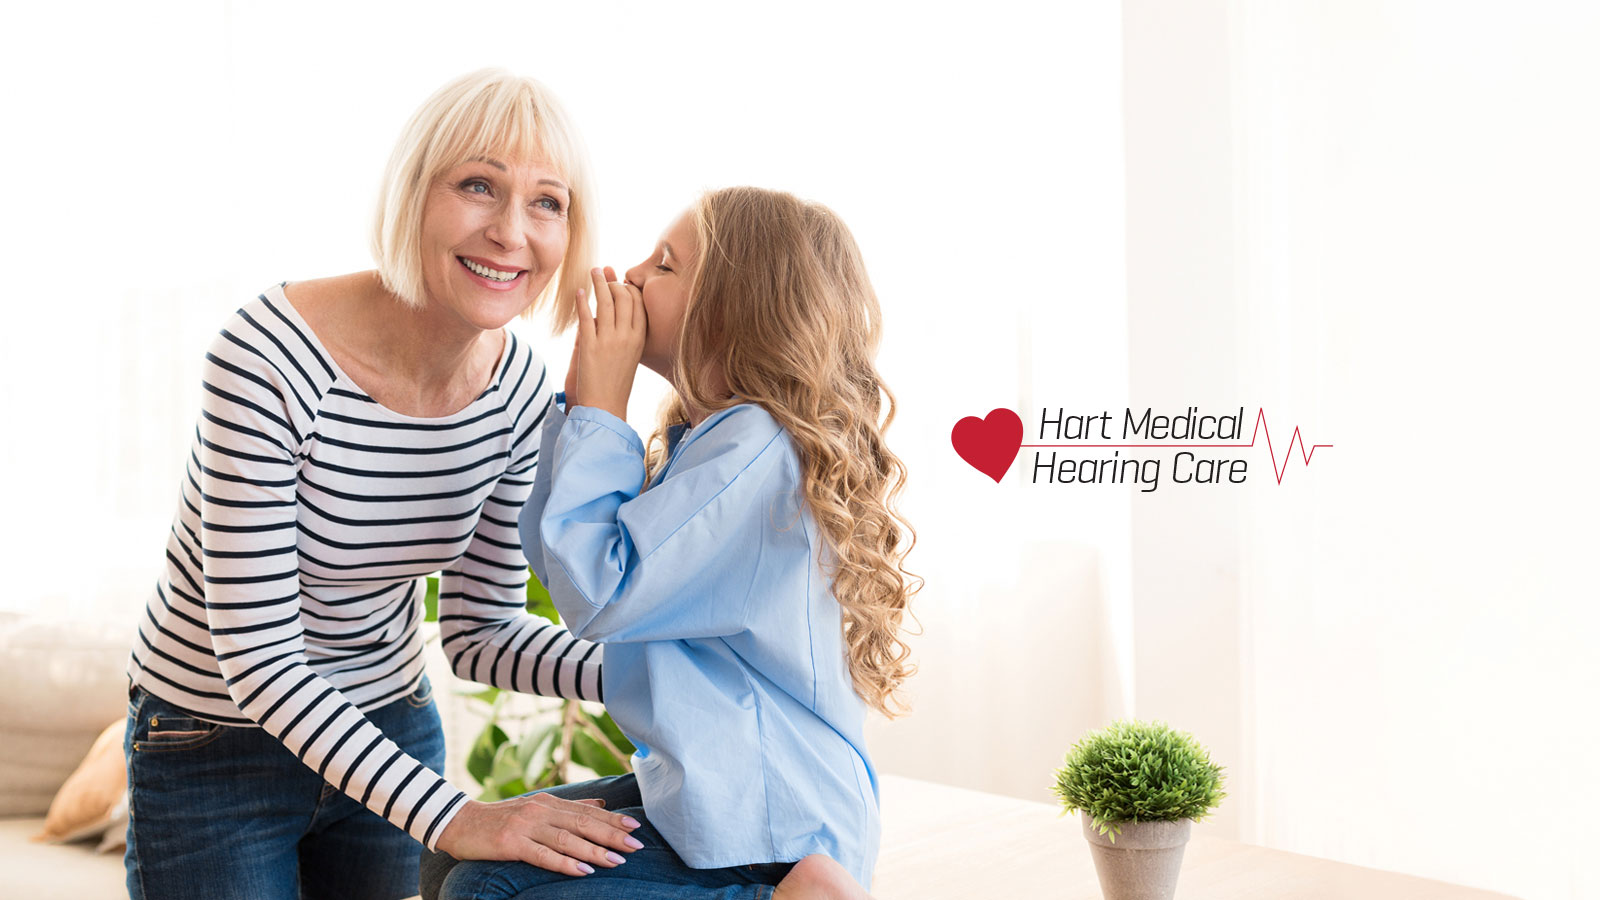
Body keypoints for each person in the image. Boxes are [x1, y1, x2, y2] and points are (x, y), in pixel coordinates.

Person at [122, 69, 645, 900]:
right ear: (415, 194)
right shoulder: (268, 357)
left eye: (548, 202)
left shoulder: (514, 391)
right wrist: (457, 817)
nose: (511, 231)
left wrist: (669, 668)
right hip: (214, 742)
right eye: (478, 185)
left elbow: (482, 632)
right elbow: (258, 655)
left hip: (389, 723)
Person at [422, 187, 918, 900]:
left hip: (769, 825)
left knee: (488, 890)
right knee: (448, 863)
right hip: (714, 791)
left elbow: (602, 594)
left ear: (733, 309)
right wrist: (584, 408)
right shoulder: (715, 440)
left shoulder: (754, 446)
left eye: (665, 265)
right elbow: (562, 557)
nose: (630, 274)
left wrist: (601, 410)